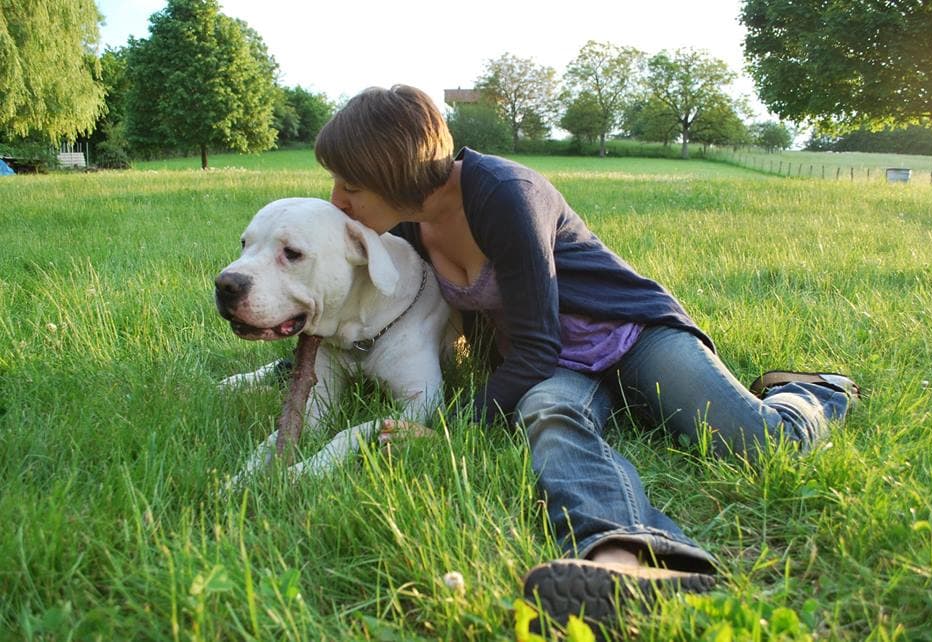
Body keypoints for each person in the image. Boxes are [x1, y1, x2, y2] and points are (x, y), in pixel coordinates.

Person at [314, 85, 859, 629]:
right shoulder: (408, 225)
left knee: (756, 443)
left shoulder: (505, 193)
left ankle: (815, 392)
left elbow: (535, 345)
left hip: (631, 333)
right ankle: (628, 559)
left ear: (396, 174)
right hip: (559, 365)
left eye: (351, 186)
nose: (338, 200)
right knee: (550, 415)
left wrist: (451, 426)